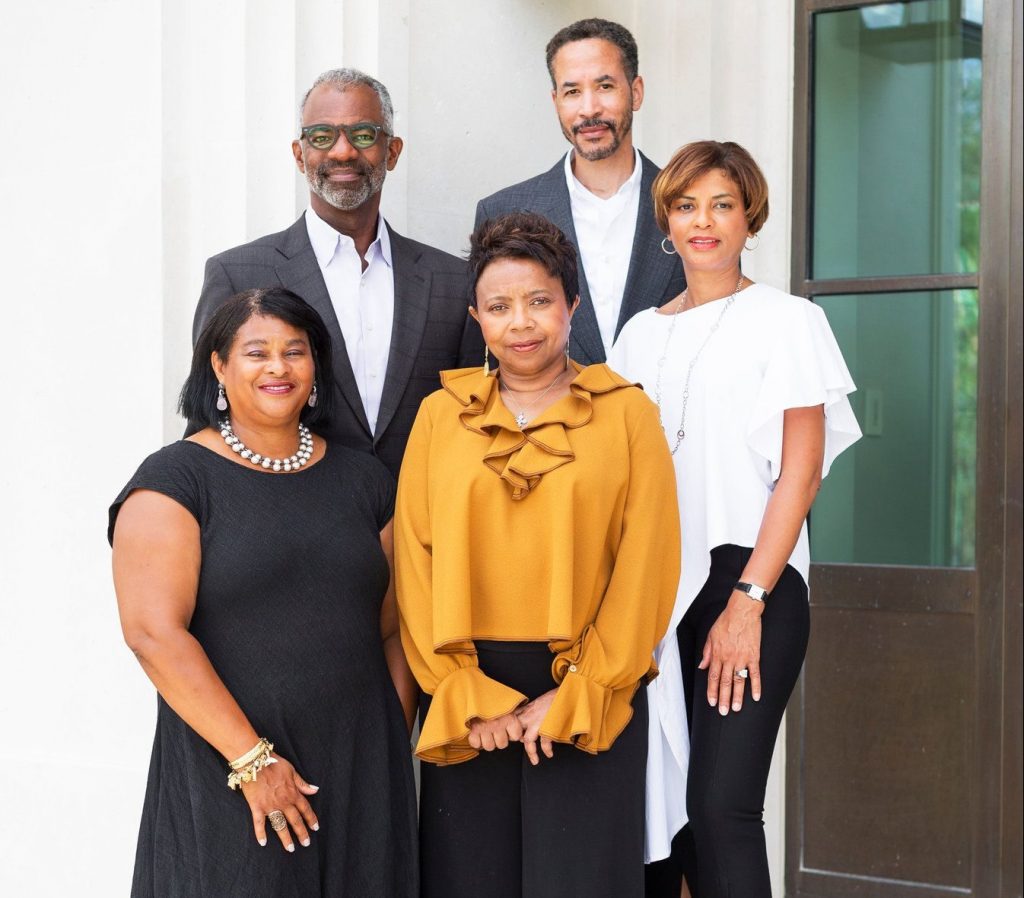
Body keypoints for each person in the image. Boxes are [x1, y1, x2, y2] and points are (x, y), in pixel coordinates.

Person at [394, 212, 681, 898]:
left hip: (588, 689)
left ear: (571, 306)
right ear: (477, 319)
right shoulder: (439, 415)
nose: (520, 322)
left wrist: (583, 688)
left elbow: (647, 564)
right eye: (498, 307)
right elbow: (413, 559)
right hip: (468, 696)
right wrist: (463, 690)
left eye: (539, 301)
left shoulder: (629, 414)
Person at [608, 141, 862, 897]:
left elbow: (801, 472)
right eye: (686, 206)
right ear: (666, 220)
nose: (704, 222)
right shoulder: (637, 336)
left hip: (751, 579)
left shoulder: (789, 321)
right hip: (656, 590)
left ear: (750, 216)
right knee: (670, 819)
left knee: (722, 808)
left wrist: (748, 601)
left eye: (722, 205)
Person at [109, 288, 418, 897]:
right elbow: (152, 634)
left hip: (362, 770)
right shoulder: (175, 480)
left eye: (294, 351)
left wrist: (388, 739)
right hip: (231, 770)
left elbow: (394, 626)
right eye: (257, 352)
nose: (278, 367)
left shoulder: (365, 480)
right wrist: (252, 761)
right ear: (219, 366)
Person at [194, 68, 482, 478]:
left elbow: (471, 421)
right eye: (322, 136)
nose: (343, 152)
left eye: (363, 135)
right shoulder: (237, 274)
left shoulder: (453, 281)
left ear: (392, 151)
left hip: (421, 514)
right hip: (286, 509)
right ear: (300, 155)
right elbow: (207, 420)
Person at [475, 18, 684, 366]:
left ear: (636, 92)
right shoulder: (501, 213)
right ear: (555, 100)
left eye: (605, 86)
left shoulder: (690, 206)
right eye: (572, 92)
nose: (589, 109)